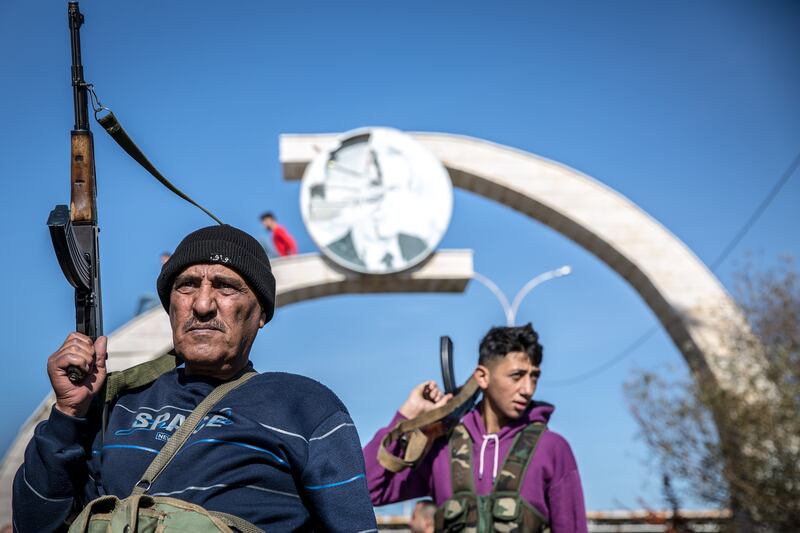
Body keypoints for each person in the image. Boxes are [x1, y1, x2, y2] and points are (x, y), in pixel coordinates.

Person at [13, 224, 377, 532]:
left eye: (226, 286)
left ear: (261, 313)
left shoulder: (306, 408)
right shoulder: (114, 404)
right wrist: (67, 413)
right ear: (170, 305)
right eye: (186, 285)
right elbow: (35, 524)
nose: (202, 305)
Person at [363, 324, 587, 532]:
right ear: (482, 377)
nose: (527, 389)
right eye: (516, 376)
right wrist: (408, 415)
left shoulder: (551, 449)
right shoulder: (443, 448)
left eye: (534, 376)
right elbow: (366, 491)